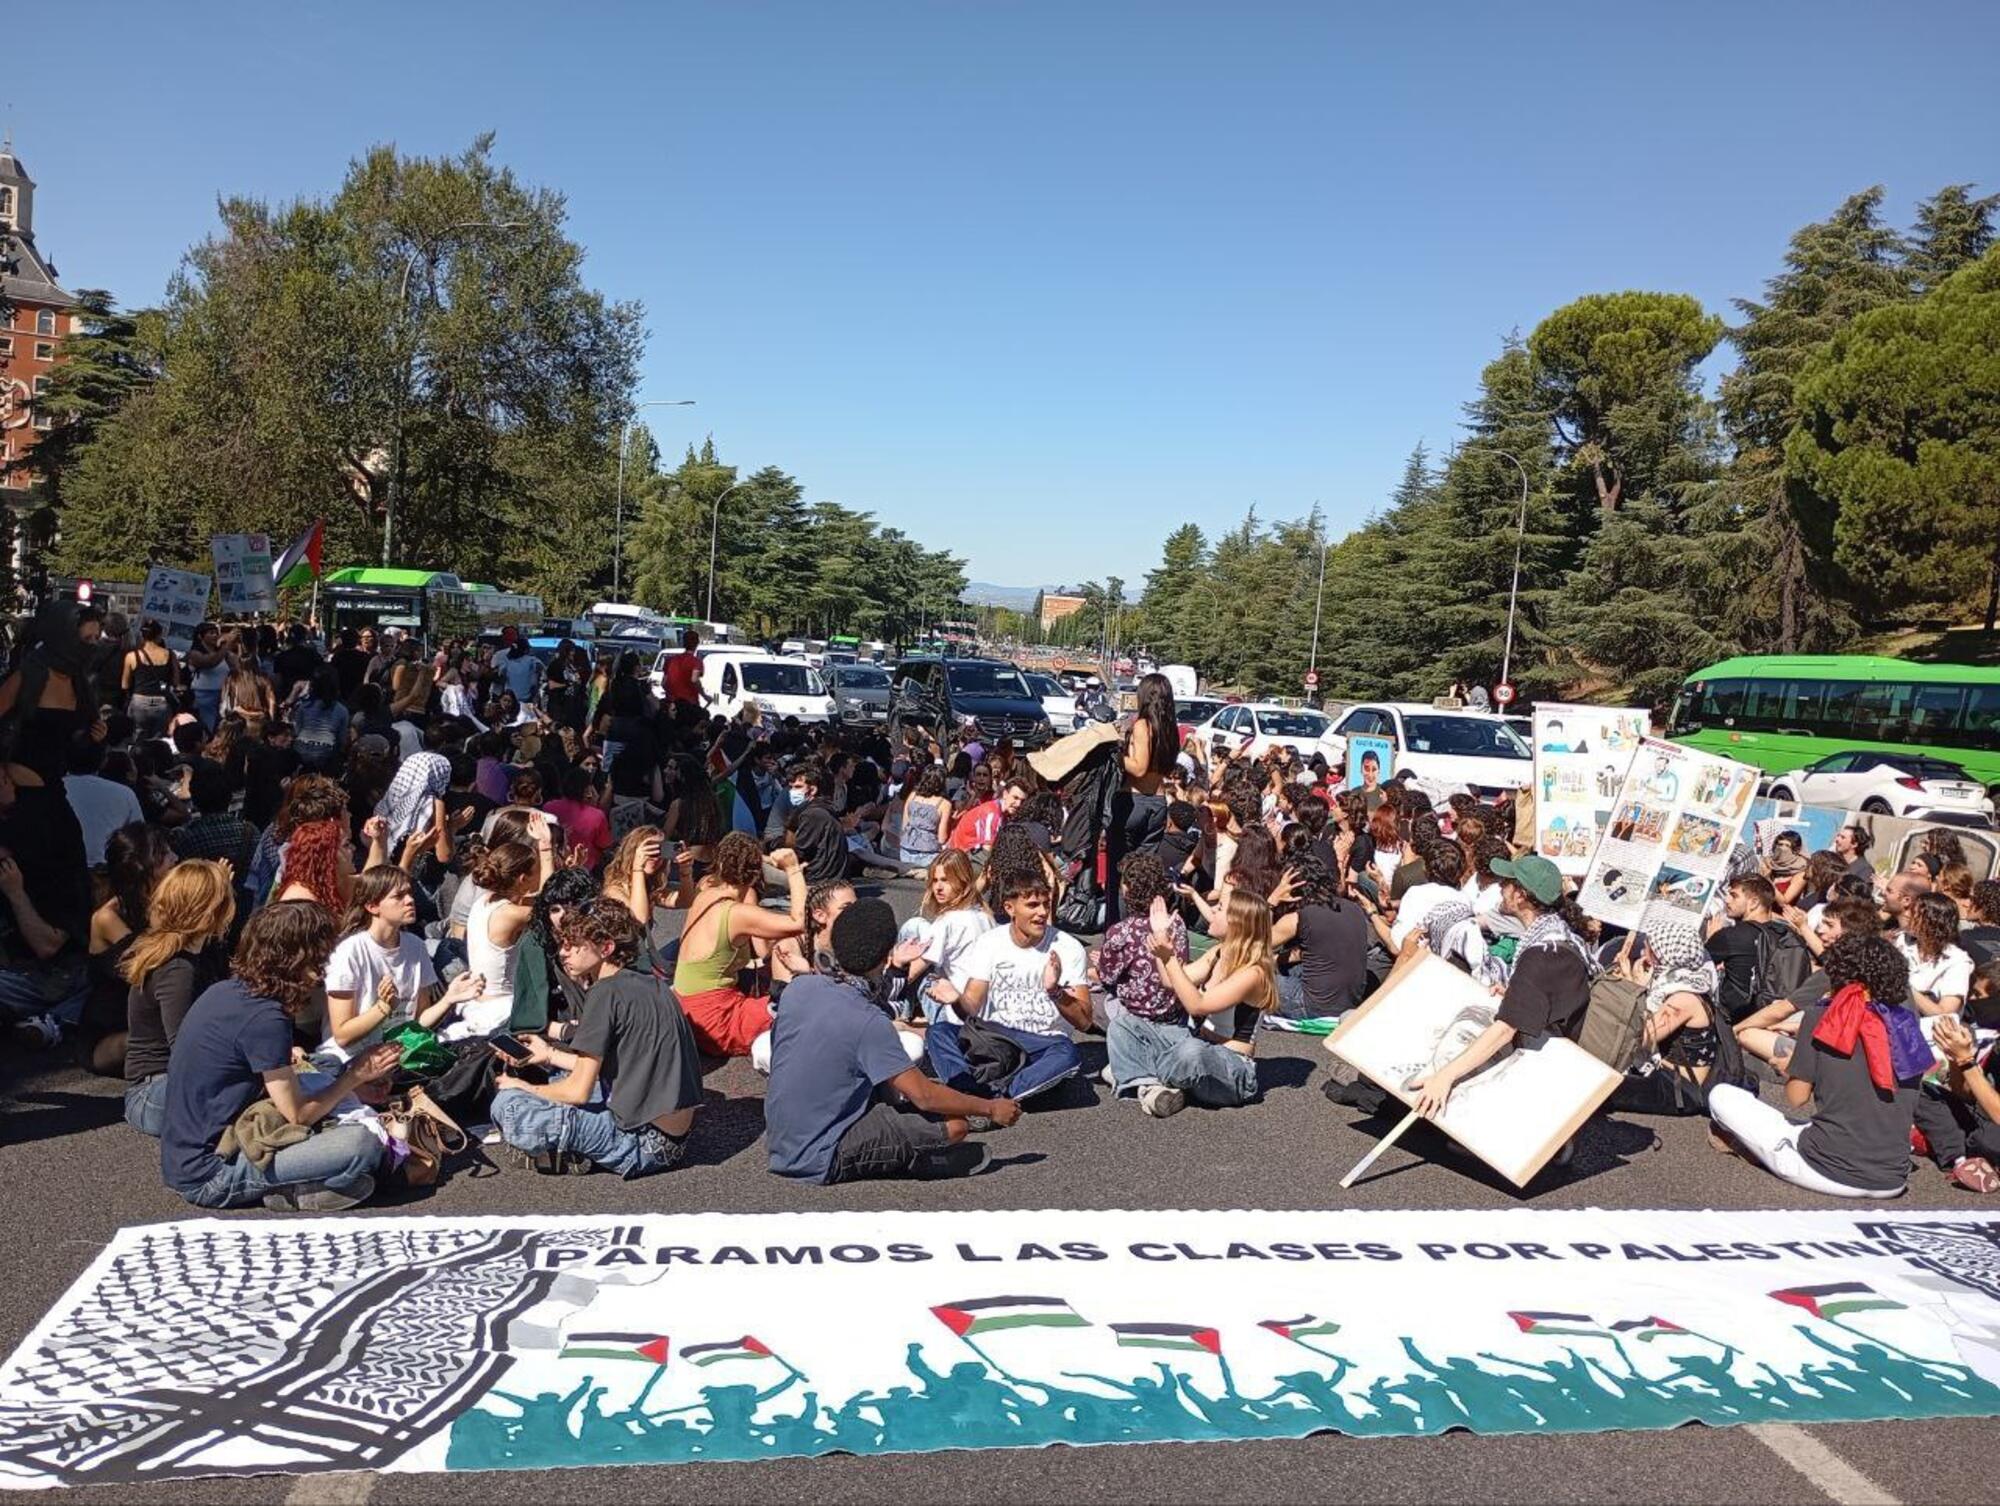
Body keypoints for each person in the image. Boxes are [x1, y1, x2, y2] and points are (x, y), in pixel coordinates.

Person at [159, 903, 398, 1211]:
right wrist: (356, 1076)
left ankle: (310, 1182)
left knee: (325, 1065)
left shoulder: (226, 991)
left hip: (189, 1154)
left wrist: (349, 1085)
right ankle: (296, 1189)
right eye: (322, 953)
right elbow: (297, 1115)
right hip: (212, 1172)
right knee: (363, 1144)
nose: (325, 964)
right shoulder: (266, 1018)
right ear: (302, 957)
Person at [767, 899, 1017, 1183]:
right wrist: (990, 1108)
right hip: (822, 1154)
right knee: (954, 1125)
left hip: (781, 1139)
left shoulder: (800, 988)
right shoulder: (868, 1020)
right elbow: (924, 1097)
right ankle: (914, 1160)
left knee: (908, 1091)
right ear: (887, 956)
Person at [491, 898, 703, 1178]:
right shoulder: (653, 984)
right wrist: (550, 1054)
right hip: (674, 1137)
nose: (563, 952)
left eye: (573, 944)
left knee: (508, 1106)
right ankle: (572, 1147)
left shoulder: (604, 993)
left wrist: (520, 1087)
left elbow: (577, 1091)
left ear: (606, 948)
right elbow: (620, 1063)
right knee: (555, 1077)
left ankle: (569, 1148)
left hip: (641, 1143)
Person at [1707, 934, 1927, 1200]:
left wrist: (1789, 1066)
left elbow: (1796, 1097)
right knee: (1810, 1126)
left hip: (1824, 1170)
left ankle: (1758, 1153)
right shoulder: (1907, 1026)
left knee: (1722, 1095)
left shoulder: (1823, 1017)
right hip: (1892, 1179)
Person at [1409, 855, 1594, 1120]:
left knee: (1452, 1086)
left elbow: (1504, 1030)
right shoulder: (1558, 934)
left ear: (1520, 895)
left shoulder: (1541, 953)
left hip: (1552, 1059)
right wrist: (1515, 993)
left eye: (1506, 883)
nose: (1499, 887)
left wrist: (1444, 1077)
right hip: (1562, 1045)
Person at [926, 867, 1089, 1103]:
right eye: (1033, 905)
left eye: (1046, 903)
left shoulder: (1068, 947)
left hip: (1042, 1043)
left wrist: (1055, 991)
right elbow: (971, 1008)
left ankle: (996, 1096)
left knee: (1068, 1055)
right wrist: (956, 1000)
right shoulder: (990, 942)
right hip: (995, 1037)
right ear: (1009, 908)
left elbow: (1084, 1021)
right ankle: (966, 1091)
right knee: (939, 1032)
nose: (1042, 912)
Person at [1112, 887, 1275, 1117]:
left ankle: (1134, 1072)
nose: (1211, 912)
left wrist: (1168, 956)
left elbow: (1197, 1005)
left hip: (1232, 1069)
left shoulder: (1253, 973)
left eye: (1219, 909)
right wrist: (1161, 942)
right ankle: (1150, 1085)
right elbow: (1171, 981)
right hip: (1197, 1043)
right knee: (1124, 1025)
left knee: (1191, 1052)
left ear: (1236, 922)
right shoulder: (1218, 952)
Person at [320, 866, 485, 1061]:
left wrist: (449, 999)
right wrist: (382, 1008)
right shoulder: (349, 951)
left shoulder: (415, 946)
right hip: (351, 1059)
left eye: (409, 893)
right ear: (373, 906)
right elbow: (342, 1036)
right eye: (399, 896)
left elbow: (418, 1022)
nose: (410, 900)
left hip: (401, 1052)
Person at [121, 860, 235, 1136]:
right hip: (153, 1092)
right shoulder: (177, 969)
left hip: (167, 1086)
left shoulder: (201, 954)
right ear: (212, 912)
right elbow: (186, 1049)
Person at [672, 833, 806, 1057]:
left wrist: (759, 858)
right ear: (755, 876)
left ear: (720, 863)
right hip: (714, 1020)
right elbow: (798, 921)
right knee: (801, 1004)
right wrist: (793, 869)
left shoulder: (705, 890)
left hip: (685, 1009)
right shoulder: (737, 913)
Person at [459, 821, 558, 1041]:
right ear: (523, 879)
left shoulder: (484, 902)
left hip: (477, 1003)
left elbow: (537, 896)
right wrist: (545, 848)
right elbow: (551, 904)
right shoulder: (510, 914)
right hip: (500, 1011)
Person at [1104, 673, 1177, 924]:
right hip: (1158, 802)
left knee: (1121, 873)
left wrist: (1114, 755)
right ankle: (1143, 926)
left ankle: (1118, 930)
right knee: (1144, 873)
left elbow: (1138, 767)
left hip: (1132, 802)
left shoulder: (1142, 725)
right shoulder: (1169, 728)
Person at [1271, 853, 1370, 1017]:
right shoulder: (1354, 908)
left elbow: (1255, 942)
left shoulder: (1300, 917)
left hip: (1312, 1005)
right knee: (1288, 965)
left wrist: (1272, 901)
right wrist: (1276, 960)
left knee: (1253, 976)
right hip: (1350, 1001)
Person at [905, 851, 992, 1023]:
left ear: (962, 881)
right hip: (984, 1008)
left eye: (945, 880)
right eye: (935, 881)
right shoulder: (985, 915)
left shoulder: (947, 922)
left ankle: (901, 1011)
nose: (938, 887)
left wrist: (892, 968)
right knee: (917, 925)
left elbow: (911, 973)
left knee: (910, 935)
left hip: (955, 1012)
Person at [64, 734, 145, 868]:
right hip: (107, 869)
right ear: (103, 761)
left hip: (62, 868)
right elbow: (139, 838)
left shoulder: (52, 792)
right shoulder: (124, 793)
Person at [1900, 891, 1972, 1017]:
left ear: (1932, 921)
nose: (1906, 914)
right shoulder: (1901, 941)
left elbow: (1944, 1013)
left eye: (1913, 913)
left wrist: (1902, 984)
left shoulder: (1957, 961)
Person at [121, 619, 181, 742]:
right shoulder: (170, 655)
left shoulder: (132, 656)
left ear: (142, 636)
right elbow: (176, 681)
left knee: (137, 738)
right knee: (160, 740)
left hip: (139, 701)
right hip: (162, 701)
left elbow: (124, 685)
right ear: (160, 635)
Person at [898, 766, 952, 870]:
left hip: (905, 853)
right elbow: (942, 838)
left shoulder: (912, 796)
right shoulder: (944, 804)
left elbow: (905, 825)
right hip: (928, 855)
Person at [663, 627, 705, 708]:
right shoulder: (696, 662)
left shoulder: (670, 660)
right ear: (697, 644)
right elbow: (694, 680)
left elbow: (664, 683)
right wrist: (704, 695)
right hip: (689, 704)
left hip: (672, 704)